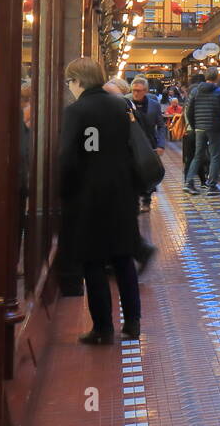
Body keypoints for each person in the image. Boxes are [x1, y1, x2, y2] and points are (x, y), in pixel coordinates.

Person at [59, 57, 142, 345]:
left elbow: (67, 158)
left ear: (78, 81)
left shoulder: (76, 112)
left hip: (89, 197)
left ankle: (103, 328)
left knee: (93, 262)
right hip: (121, 193)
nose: (69, 87)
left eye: (70, 81)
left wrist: (64, 192)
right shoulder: (121, 107)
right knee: (123, 259)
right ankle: (133, 323)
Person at [184, 68, 220, 196]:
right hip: (214, 127)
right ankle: (212, 186)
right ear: (217, 77)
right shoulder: (219, 91)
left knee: (198, 155)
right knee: (215, 155)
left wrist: (194, 125)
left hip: (199, 127)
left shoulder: (196, 91)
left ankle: (189, 182)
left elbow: (189, 110)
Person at [129, 76, 168, 209]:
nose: (136, 93)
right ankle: (134, 199)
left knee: (148, 170)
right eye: (134, 90)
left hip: (149, 142)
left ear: (145, 91)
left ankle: (147, 199)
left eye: (139, 91)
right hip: (132, 143)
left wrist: (161, 144)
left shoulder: (154, 105)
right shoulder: (126, 103)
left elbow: (161, 126)